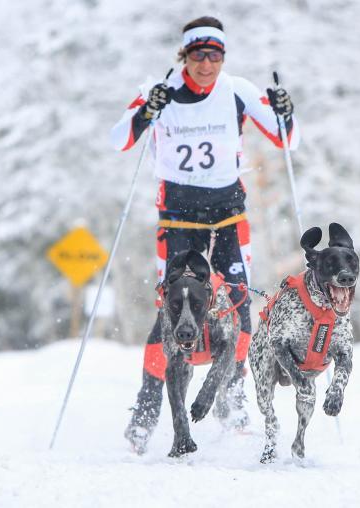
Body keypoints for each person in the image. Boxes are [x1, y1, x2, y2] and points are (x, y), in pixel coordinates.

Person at [110, 15, 299, 451]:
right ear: (185, 56)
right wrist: (146, 111)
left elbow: (289, 142)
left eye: (215, 55)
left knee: (238, 302)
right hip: (177, 215)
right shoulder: (159, 90)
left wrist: (287, 115)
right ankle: (146, 406)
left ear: (223, 57)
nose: (207, 64)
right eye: (198, 55)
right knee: (172, 309)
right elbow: (119, 140)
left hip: (228, 213)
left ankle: (230, 396)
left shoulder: (237, 90)